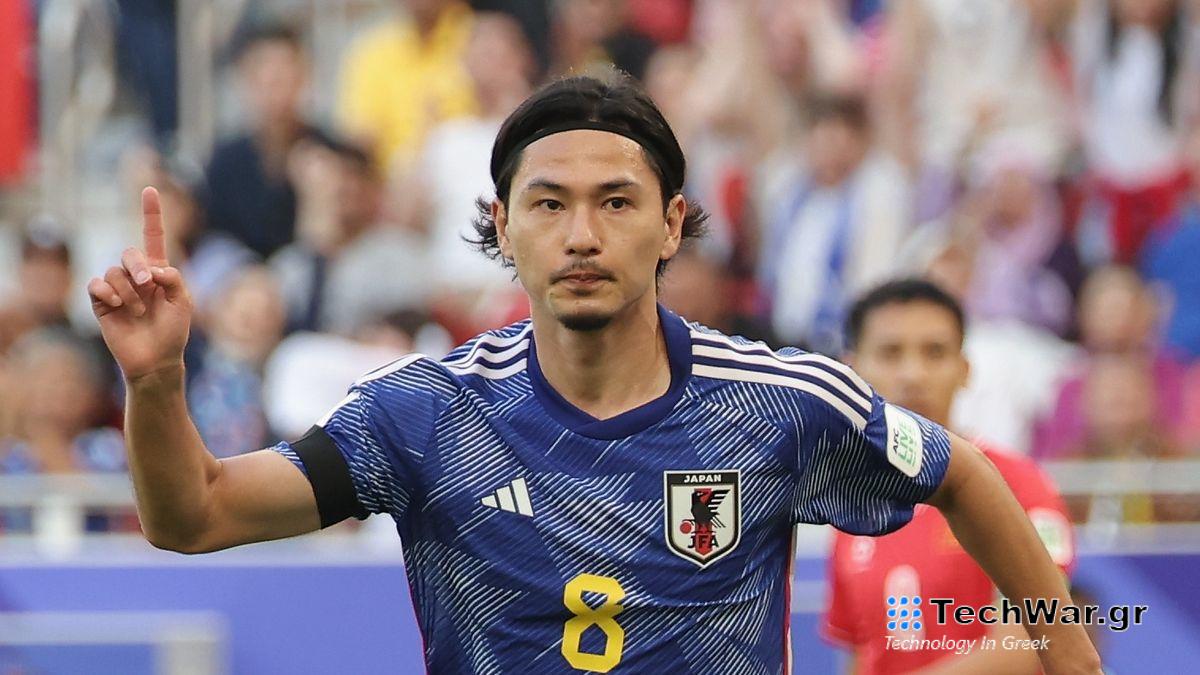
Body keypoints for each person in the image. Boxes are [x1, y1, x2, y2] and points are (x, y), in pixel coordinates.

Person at [86, 74, 1100, 673]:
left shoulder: (782, 404)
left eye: (617, 202)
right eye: (549, 203)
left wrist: (1074, 661)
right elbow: (195, 517)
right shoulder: (421, 417)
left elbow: (963, 472)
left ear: (670, 226)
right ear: (500, 226)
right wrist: (158, 382)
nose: (581, 234)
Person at [823, 279, 1076, 675]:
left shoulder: (1019, 485)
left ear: (965, 369)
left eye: (934, 352)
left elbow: (1030, 644)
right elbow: (863, 656)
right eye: (891, 353)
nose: (913, 373)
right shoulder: (844, 500)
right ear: (851, 370)